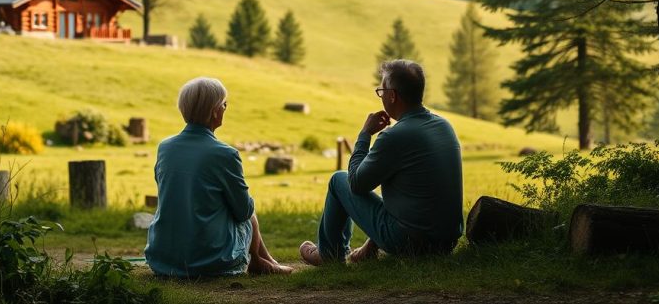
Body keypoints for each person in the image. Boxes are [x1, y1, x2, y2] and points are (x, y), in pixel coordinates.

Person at [300, 59, 463, 264]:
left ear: (392, 96)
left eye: (381, 90)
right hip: (446, 242)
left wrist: (365, 134)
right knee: (402, 186)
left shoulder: (394, 136)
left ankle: (329, 254)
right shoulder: (444, 126)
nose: (381, 96)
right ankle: (368, 248)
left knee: (338, 180)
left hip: (410, 243)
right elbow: (412, 196)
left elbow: (356, 184)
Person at [145, 77, 293, 277]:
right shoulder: (225, 154)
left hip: (162, 258)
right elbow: (243, 211)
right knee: (248, 208)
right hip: (208, 260)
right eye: (224, 104)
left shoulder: (165, 147)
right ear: (215, 111)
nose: (225, 108)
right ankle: (261, 262)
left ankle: (265, 261)